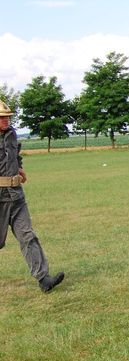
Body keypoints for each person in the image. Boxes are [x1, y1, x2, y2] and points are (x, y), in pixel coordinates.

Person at [0, 100, 64, 292]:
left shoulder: (11, 134)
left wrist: (19, 168)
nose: (6, 120)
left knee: (28, 236)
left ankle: (44, 279)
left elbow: (14, 154)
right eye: (2, 117)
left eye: (8, 116)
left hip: (17, 196)